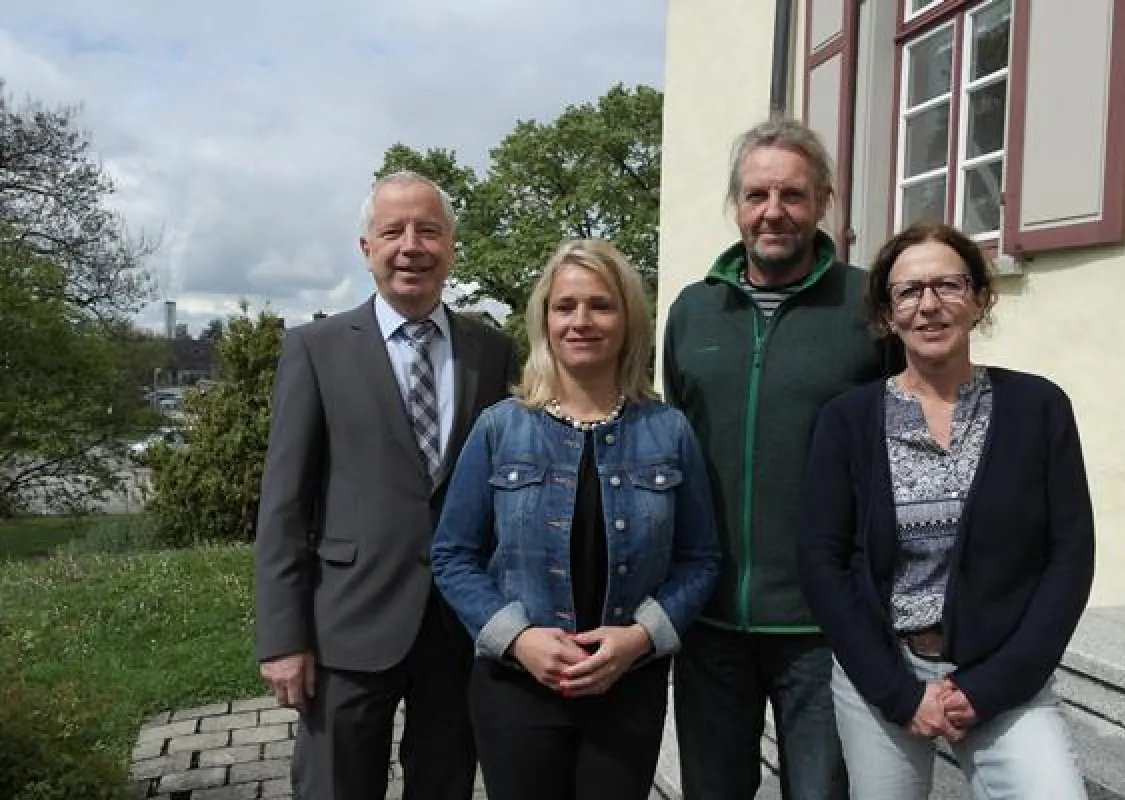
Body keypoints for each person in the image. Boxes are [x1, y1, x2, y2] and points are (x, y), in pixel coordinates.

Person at [798, 221, 1094, 799]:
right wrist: (900, 693)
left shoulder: (1038, 408)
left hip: (1002, 673)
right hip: (884, 673)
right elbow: (821, 560)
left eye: (948, 286)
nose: (929, 306)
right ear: (886, 315)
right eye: (908, 292)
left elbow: (1070, 556)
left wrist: (990, 687)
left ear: (980, 298)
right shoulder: (848, 420)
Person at [254, 170, 519, 800]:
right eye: (393, 231)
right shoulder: (316, 349)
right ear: (366, 248)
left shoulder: (492, 351)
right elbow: (284, 504)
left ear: (451, 246)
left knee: (445, 783)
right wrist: (283, 639)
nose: (411, 246)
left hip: (458, 627)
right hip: (347, 623)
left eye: (428, 230)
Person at [432, 238, 722, 800]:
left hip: (627, 690)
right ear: (545, 320)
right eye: (565, 306)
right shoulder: (499, 429)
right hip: (517, 690)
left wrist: (642, 638)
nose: (582, 321)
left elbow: (701, 558)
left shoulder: (669, 431)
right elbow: (453, 555)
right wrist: (517, 639)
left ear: (628, 318)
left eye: (601, 305)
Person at [662, 117, 897, 799]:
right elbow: (679, 436)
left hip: (824, 625)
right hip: (709, 622)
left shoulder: (868, 306)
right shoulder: (692, 312)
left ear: (823, 201)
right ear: (737, 203)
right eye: (757, 194)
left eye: (792, 195)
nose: (773, 211)